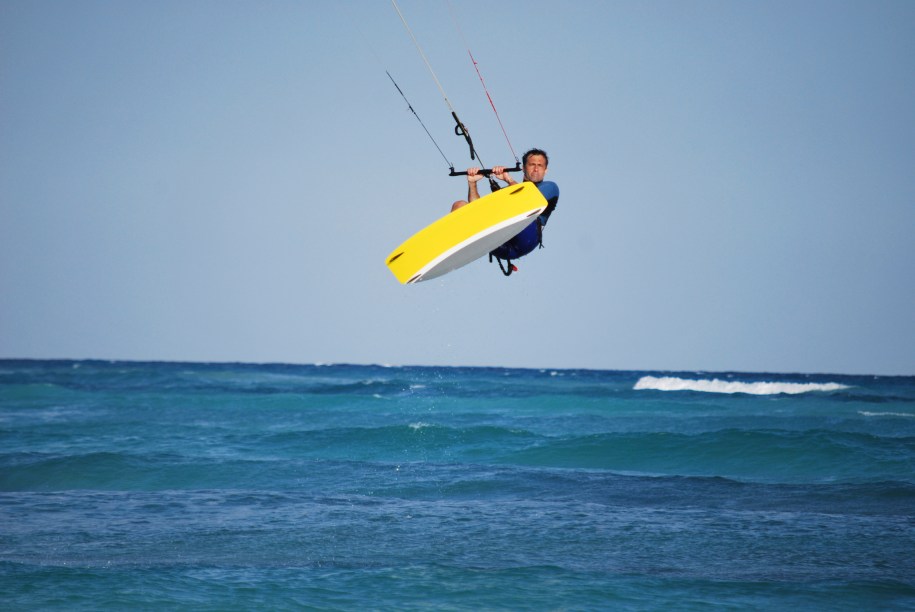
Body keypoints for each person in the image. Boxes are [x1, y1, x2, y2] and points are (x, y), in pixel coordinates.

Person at [450, 148, 559, 271]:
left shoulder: (550, 187)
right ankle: (454, 246)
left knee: (516, 202)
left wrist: (508, 179)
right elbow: (476, 211)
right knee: (459, 206)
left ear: (546, 170)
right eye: (532, 165)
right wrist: (472, 183)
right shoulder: (508, 192)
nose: (535, 169)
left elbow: (526, 199)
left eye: (540, 165)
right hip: (500, 243)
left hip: (526, 240)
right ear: (523, 168)